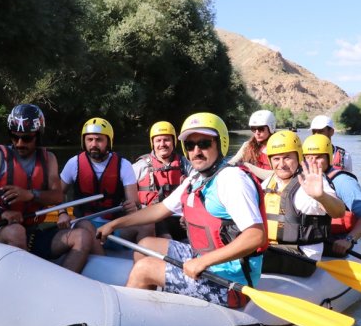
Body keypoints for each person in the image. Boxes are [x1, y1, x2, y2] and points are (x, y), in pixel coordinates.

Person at [96, 112, 267, 308]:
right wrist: (114, 224)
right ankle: (151, 305)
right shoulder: (197, 178)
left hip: (231, 281)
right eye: (190, 145)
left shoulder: (232, 180)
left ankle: (130, 317)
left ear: (221, 143)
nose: (196, 151)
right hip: (204, 258)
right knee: (146, 244)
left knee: (144, 268)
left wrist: (203, 263)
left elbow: (255, 236)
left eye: (204, 143)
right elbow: (160, 209)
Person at [0, 104, 95, 273]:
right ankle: (22, 286)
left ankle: (63, 288)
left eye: (26, 138)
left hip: (32, 233)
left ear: (38, 136)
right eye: (14, 137)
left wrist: (30, 195)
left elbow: (57, 196)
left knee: (82, 236)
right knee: (16, 232)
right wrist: (2, 212)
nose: (19, 143)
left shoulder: (49, 159)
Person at [58, 117, 150, 253]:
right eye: (89, 140)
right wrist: (62, 213)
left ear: (108, 142)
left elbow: (133, 202)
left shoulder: (124, 165)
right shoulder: (74, 163)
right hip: (85, 224)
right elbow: (58, 194)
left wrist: (131, 207)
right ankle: (102, 259)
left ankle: (142, 263)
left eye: (99, 139)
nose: (93, 144)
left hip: (113, 227)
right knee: (85, 225)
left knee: (147, 225)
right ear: (84, 141)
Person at [260, 130, 346, 276]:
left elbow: (339, 212)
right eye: (276, 159)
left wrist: (321, 196)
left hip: (303, 256)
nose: (281, 164)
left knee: (249, 258)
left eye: (287, 158)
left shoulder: (313, 179)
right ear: (270, 160)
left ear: (298, 156)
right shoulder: (268, 183)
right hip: (273, 249)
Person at [302, 134, 361, 257]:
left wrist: (348, 240)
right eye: (308, 157)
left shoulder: (343, 181)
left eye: (318, 157)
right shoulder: (301, 178)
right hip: (311, 239)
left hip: (336, 240)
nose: (313, 162)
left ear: (328, 157)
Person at [133, 121, 192, 239]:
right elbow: (127, 194)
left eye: (166, 140)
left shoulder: (186, 164)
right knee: (164, 233)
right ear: (152, 143)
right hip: (153, 217)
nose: (162, 144)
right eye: (158, 140)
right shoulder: (140, 166)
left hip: (179, 217)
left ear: (174, 142)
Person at [228, 109, 276, 181]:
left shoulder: (278, 147)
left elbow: (276, 175)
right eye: (253, 129)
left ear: (271, 128)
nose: (257, 133)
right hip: (252, 185)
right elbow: (231, 163)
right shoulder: (247, 145)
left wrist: (247, 165)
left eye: (261, 129)